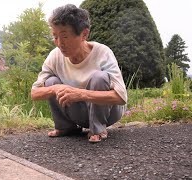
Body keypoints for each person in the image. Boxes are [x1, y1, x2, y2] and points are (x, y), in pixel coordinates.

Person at [31, 4, 127, 143]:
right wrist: (56, 88)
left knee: (99, 77)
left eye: (64, 36)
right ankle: (66, 127)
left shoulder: (102, 53)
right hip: (79, 113)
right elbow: (35, 93)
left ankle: (98, 129)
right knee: (51, 82)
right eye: (55, 36)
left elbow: (121, 97)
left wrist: (80, 94)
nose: (59, 43)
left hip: (109, 112)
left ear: (84, 34)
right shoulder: (55, 56)